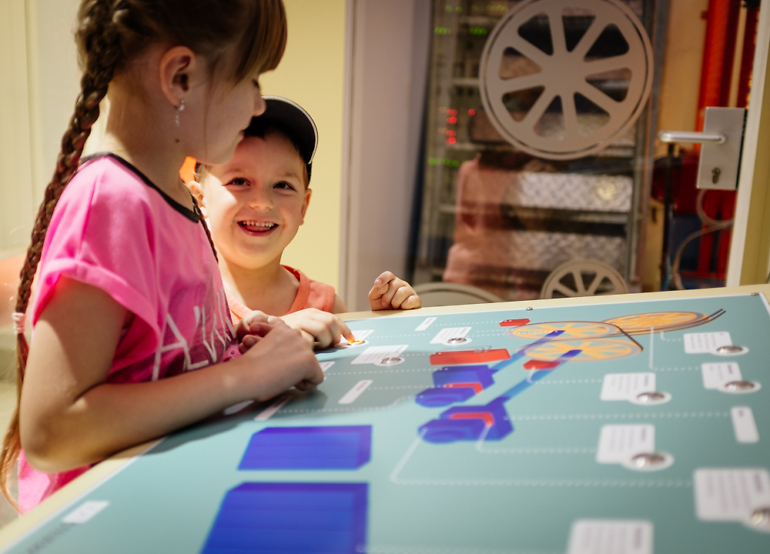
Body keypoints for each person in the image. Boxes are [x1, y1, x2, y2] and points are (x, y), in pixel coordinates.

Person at [0, 0, 325, 513]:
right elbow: (51, 430)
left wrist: (238, 346)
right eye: (251, 78)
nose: (257, 105)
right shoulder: (109, 201)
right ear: (180, 78)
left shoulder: (177, 201)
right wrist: (246, 377)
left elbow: (156, 363)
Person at [188, 96, 422, 344]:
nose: (263, 201)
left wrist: (388, 324)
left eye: (282, 185)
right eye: (239, 181)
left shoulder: (325, 304)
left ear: (303, 206)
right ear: (200, 200)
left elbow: (362, 361)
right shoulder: (185, 302)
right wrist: (276, 332)